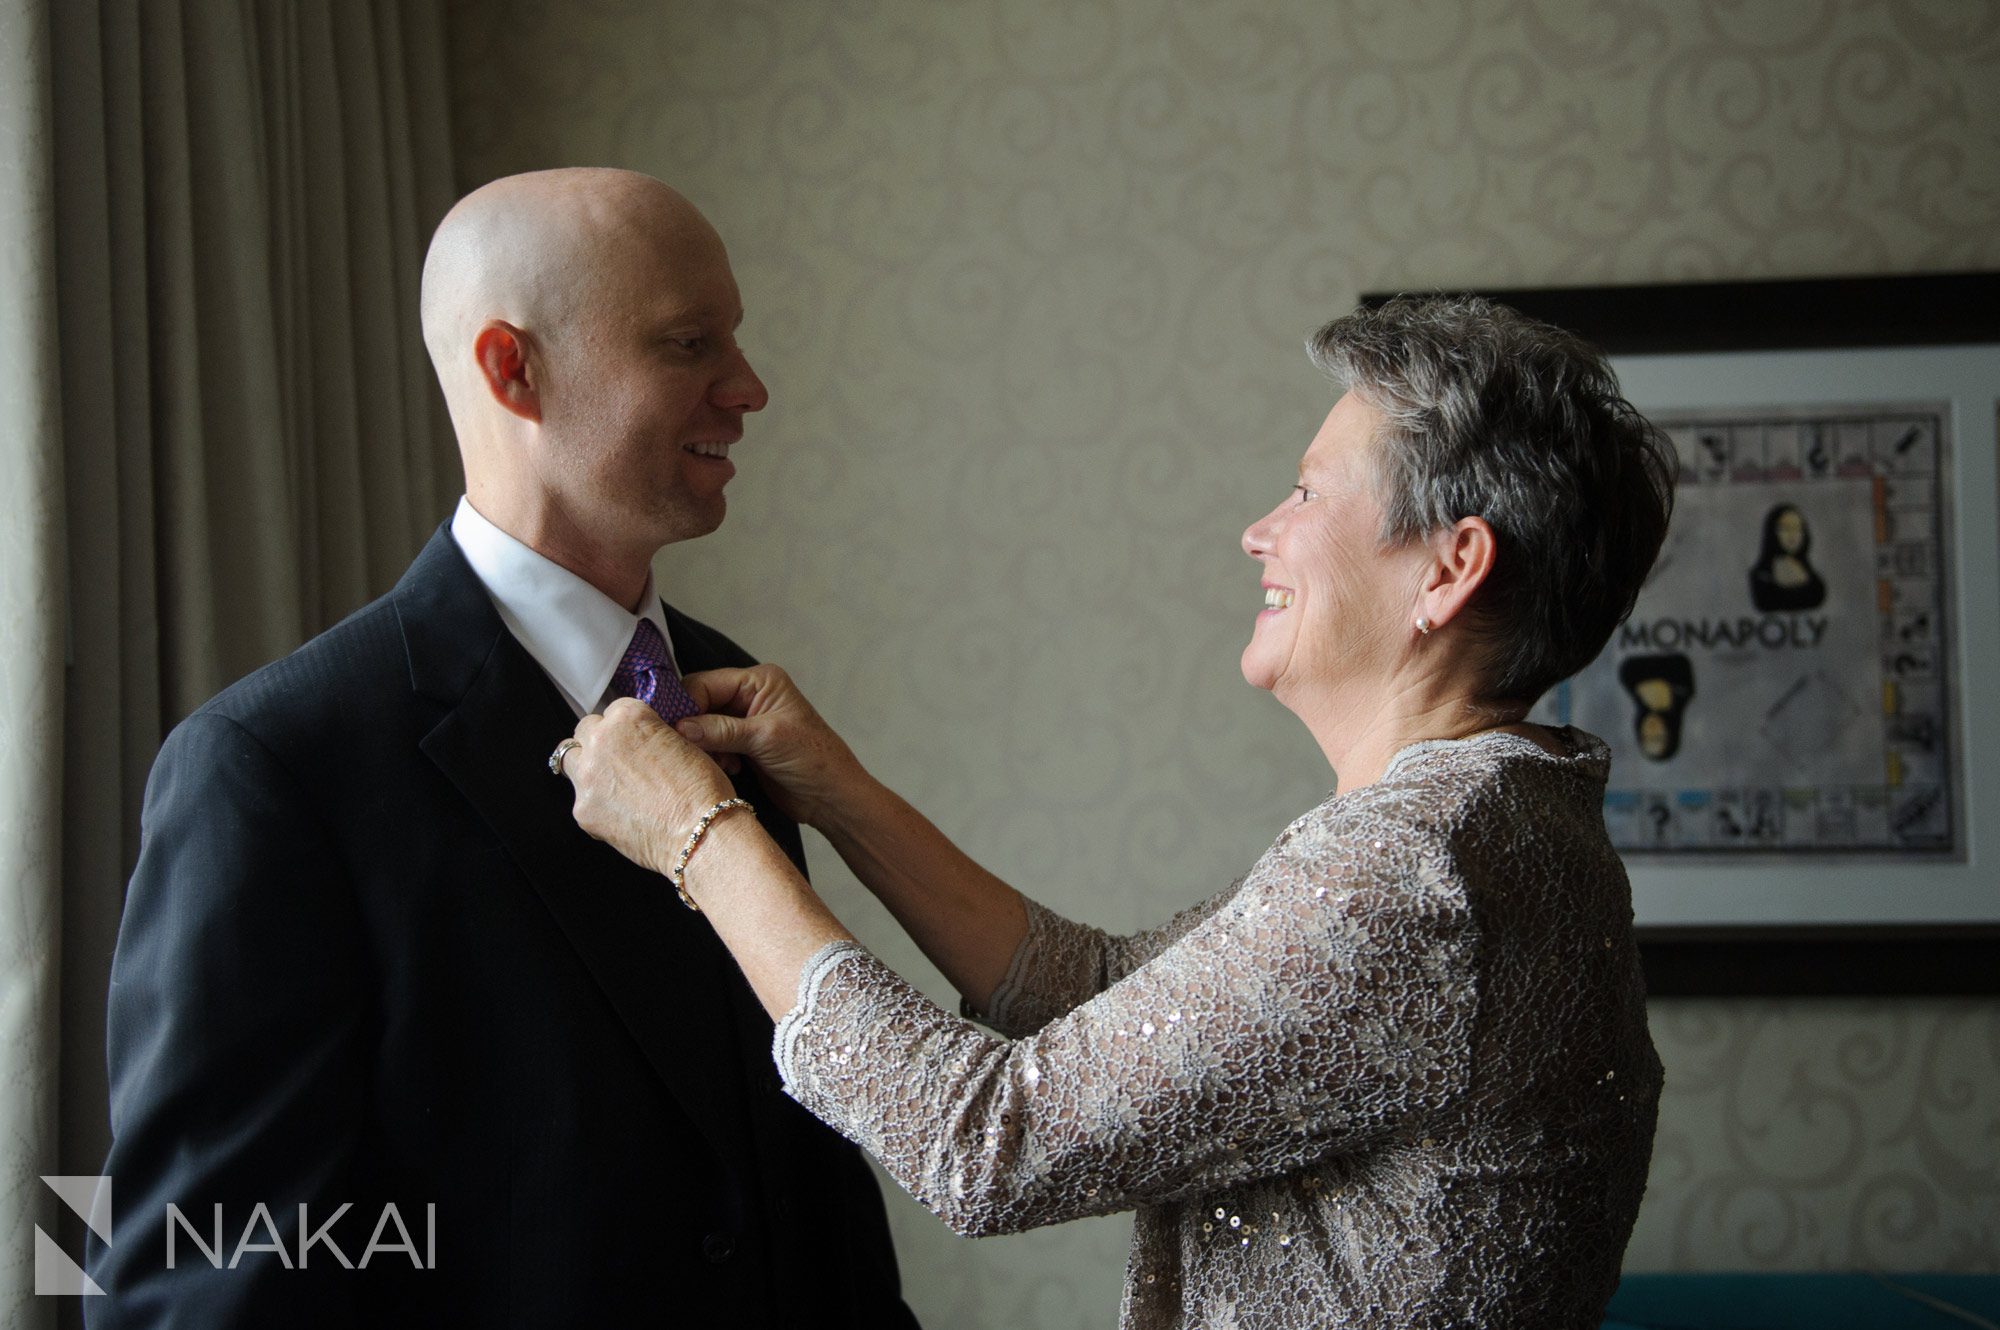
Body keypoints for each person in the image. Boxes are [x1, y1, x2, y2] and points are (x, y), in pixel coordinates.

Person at [559, 295, 1674, 1329]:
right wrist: (836, 790)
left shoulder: (1417, 868)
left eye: (1306, 491)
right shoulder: (1496, 820)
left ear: (1447, 569)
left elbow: (984, 1143)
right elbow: (1101, 993)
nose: (1259, 530)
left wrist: (699, 836)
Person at [87, 169, 917, 1328]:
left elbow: (797, 1167)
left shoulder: (729, 694)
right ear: (508, 368)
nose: (748, 387)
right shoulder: (272, 765)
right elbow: (199, 1273)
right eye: (689, 343)